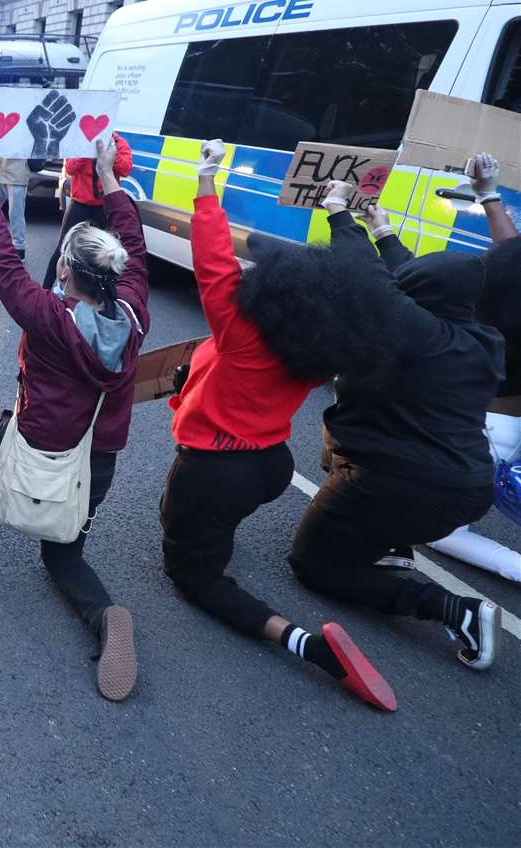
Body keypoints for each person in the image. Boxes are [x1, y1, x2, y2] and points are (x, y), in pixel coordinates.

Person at [160, 141, 400, 710]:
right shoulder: (322, 348)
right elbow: (373, 284)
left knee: (192, 576)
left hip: (219, 468)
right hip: (271, 464)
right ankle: (207, 530)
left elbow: (213, 259)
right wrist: (347, 216)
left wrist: (205, 180)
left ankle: (305, 646)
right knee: (191, 514)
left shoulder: (240, 335)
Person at [0, 137, 149, 701]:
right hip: (94, 467)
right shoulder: (135, 311)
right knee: (61, 556)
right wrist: (109, 179)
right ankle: (105, 617)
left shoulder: (51, 318)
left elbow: (2, 266)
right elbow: (136, 246)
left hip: (35, 447)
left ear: (70, 275)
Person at [287, 178, 504, 670]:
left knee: (313, 564)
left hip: (406, 483)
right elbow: (409, 275)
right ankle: (390, 541)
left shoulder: (419, 334)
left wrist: (339, 212)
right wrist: (381, 227)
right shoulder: (477, 338)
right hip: (463, 482)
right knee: (336, 439)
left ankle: (452, 608)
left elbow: (373, 282)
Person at [359, 152, 521, 582]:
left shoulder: (467, 333)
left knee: (441, 530)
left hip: (480, 430)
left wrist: (381, 231)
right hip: (508, 428)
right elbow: (510, 251)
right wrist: (489, 198)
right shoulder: (508, 295)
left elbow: (415, 281)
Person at [41, 131, 132, 287]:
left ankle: (106, 293)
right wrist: (87, 152)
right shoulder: (79, 140)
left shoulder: (117, 142)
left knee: (107, 251)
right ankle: (45, 290)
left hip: (103, 207)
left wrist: (109, 155)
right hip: (80, 204)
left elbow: (125, 169)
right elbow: (70, 168)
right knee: (62, 248)